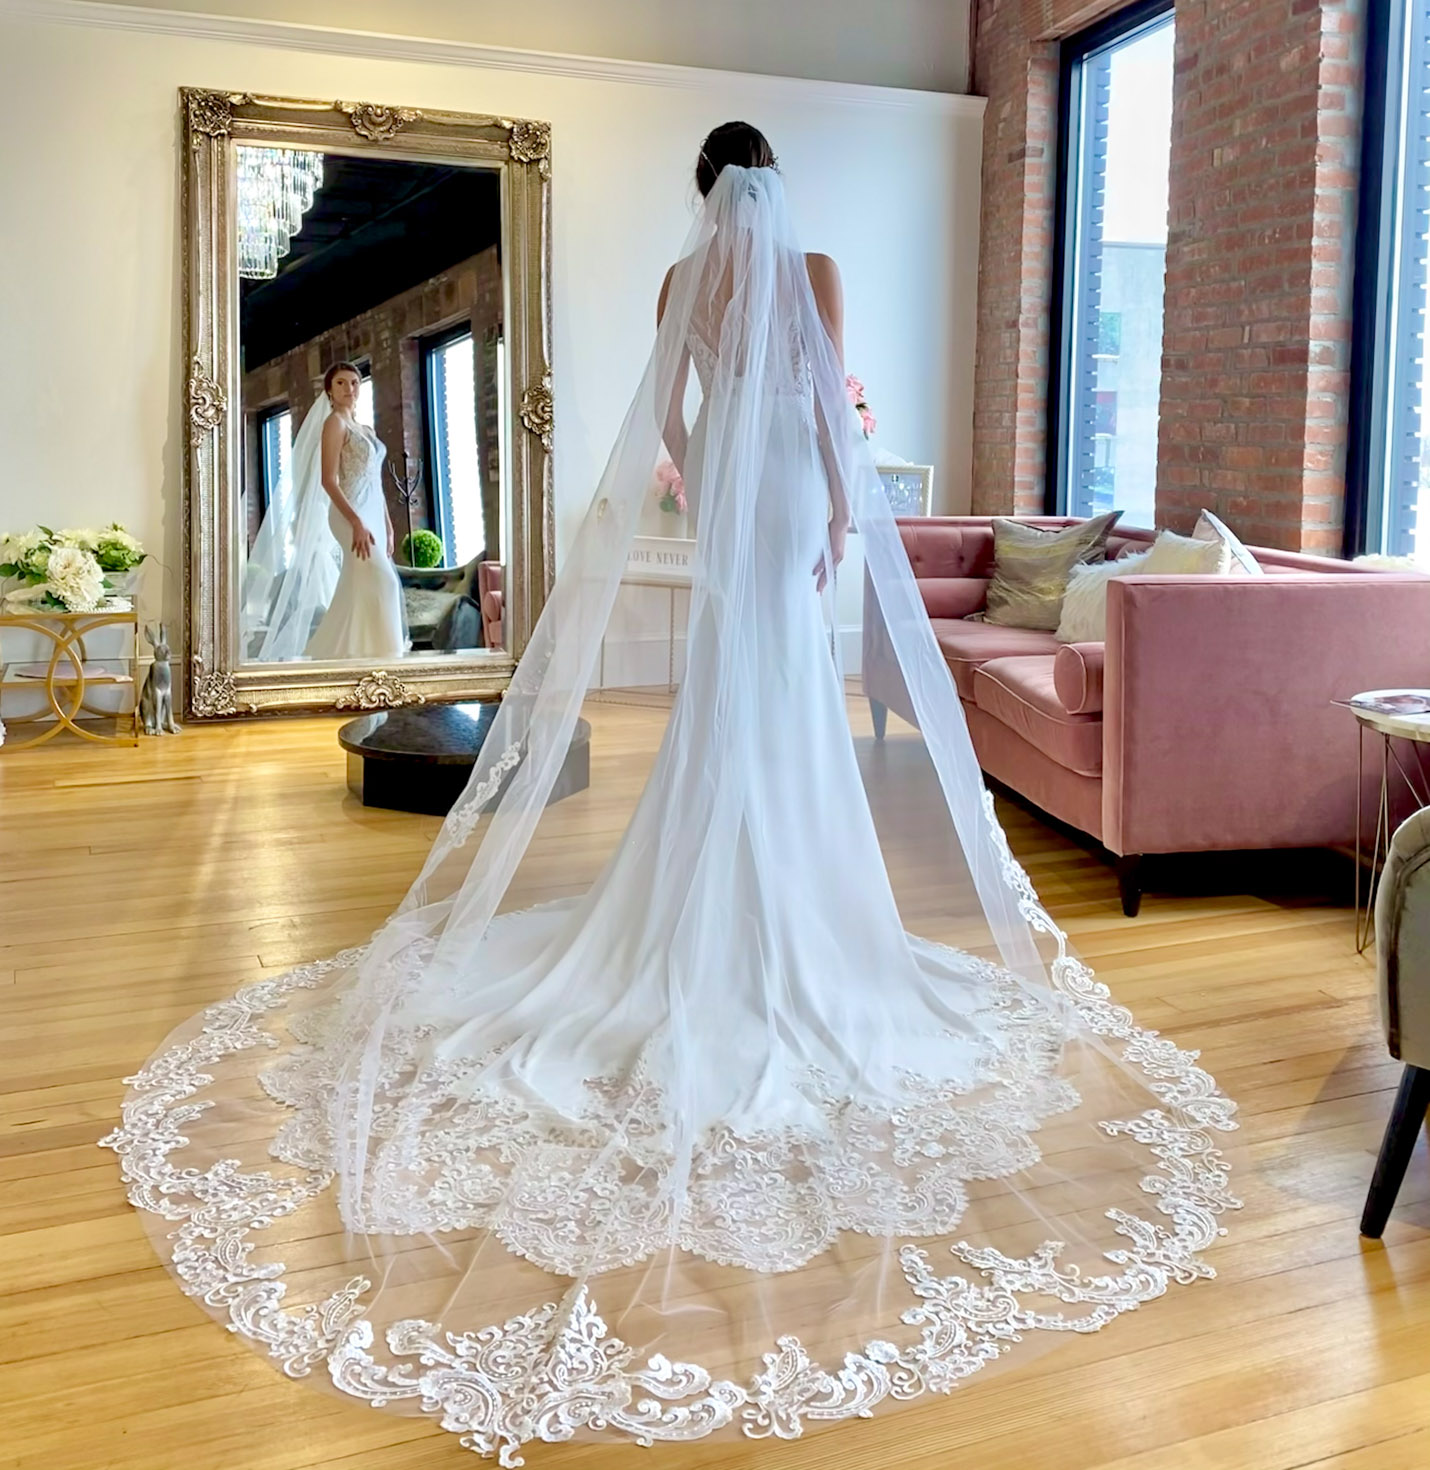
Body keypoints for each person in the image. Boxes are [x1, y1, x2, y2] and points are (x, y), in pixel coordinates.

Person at [105, 123, 1239, 1457]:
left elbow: (681, 421)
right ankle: (791, 904)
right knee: (782, 695)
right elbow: (826, 396)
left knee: (725, 690)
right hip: (784, 496)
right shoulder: (812, 266)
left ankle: (711, 891)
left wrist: (710, 490)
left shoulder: (674, 281)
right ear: (772, 180)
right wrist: (829, 511)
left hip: (725, 504)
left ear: (702, 191)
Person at [243, 362, 406, 662]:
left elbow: (376, 481)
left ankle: (345, 657)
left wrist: (388, 525)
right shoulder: (334, 424)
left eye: (355, 382)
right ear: (330, 391)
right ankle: (387, 659)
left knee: (358, 586)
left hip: (372, 516)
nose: (349, 388)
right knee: (385, 582)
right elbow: (328, 480)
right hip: (349, 514)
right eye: (341, 383)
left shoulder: (366, 429)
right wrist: (356, 522)